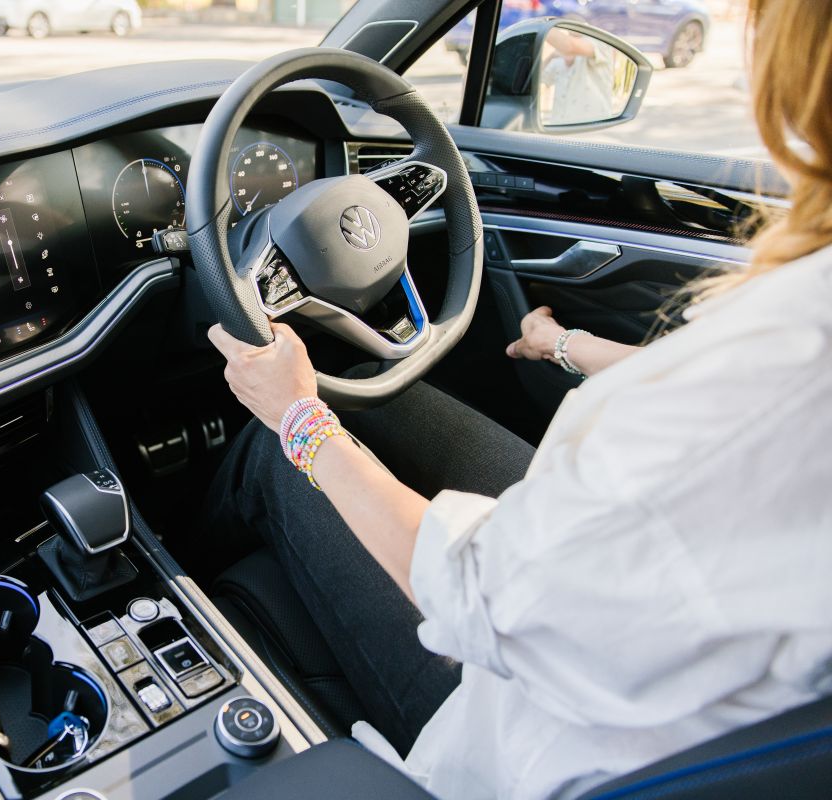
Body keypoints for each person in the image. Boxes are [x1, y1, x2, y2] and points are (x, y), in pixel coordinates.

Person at [204, 0, 832, 797]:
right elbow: (727, 405)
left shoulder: (797, 356)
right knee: (378, 403)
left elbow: (475, 593)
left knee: (274, 449)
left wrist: (298, 417)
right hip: (646, 618)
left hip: (523, 721)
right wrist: (565, 345)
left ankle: (180, 570)